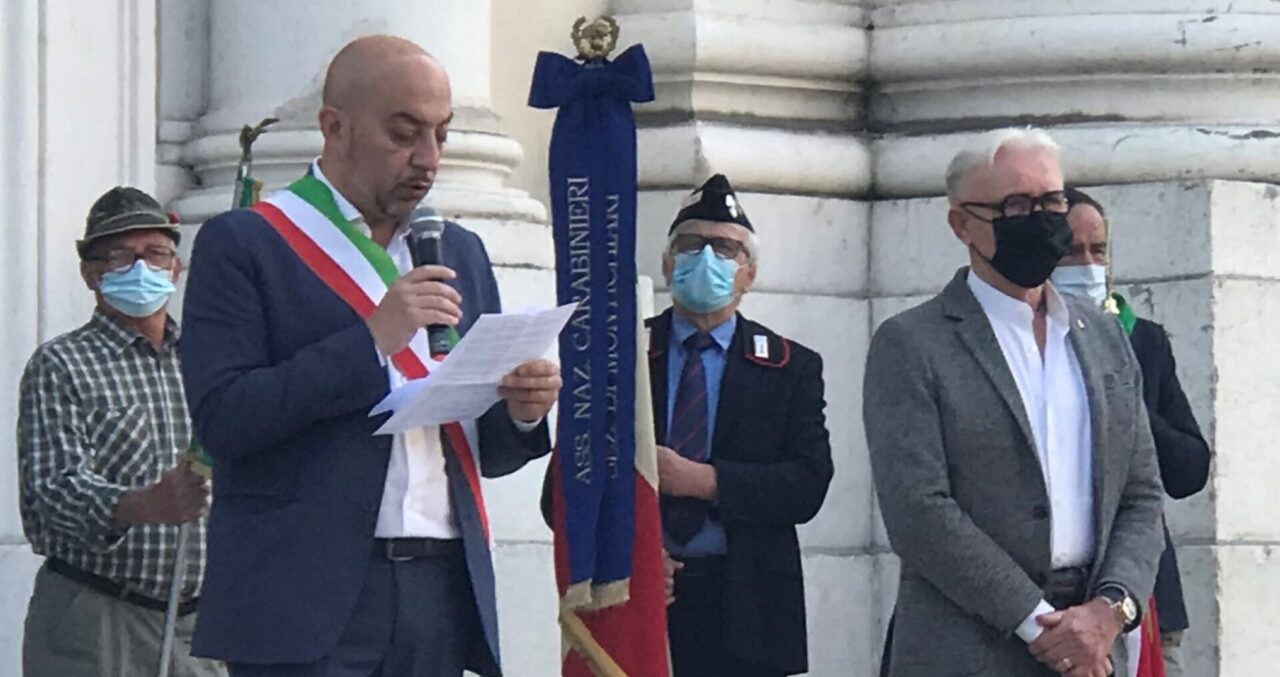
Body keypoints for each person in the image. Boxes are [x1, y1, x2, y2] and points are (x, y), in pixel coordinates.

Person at [180, 36, 559, 677]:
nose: (429, 159)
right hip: (304, 594)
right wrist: (370, 341)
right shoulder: (245, 242)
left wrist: (522, 409)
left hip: (440, 584)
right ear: (334, 126)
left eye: (442, 133)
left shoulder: (457, 250)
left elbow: (486, 451)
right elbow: (224, 419)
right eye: (404, 133)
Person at [864, 127, 1165, 677]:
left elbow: (1141, 492)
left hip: (1094, 641)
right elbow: (919, 512)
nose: (1043, 219)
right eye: (1016, 205)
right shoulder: (912, 343)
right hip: (969, 645)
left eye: (1053, 202)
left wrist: (1108, 612)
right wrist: (1041, 624)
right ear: (961, 223)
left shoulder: (1103, 335)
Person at [543, 174, 833, 676]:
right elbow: (563, 490)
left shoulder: (789, 367)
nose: (705, 258)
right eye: (691, 245)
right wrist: (633, 554)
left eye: (725, 248)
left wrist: (707, 481)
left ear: (750, 273)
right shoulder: (620, 359)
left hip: (749, 614)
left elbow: (808, 486)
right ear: (665, 263)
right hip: (638, 602)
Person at [18, 186, 223, 677]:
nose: (140, 268)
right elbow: (49, 496)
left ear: (176, 267)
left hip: (199, 619)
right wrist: (142, 505)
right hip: (97, 615)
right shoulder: (61, 364)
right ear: (91, 273)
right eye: (120, 256)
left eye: (155, 253)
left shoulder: (210, 360)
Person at [1052, 188, 1211, 677]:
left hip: (1142, 597)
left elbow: (1188, 470)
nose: (1088, 264)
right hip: (1056, 610)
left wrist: (1121, 384)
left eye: (1097, 251)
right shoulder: (1031, 345)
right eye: (1071, 251)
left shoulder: (1144, 340)